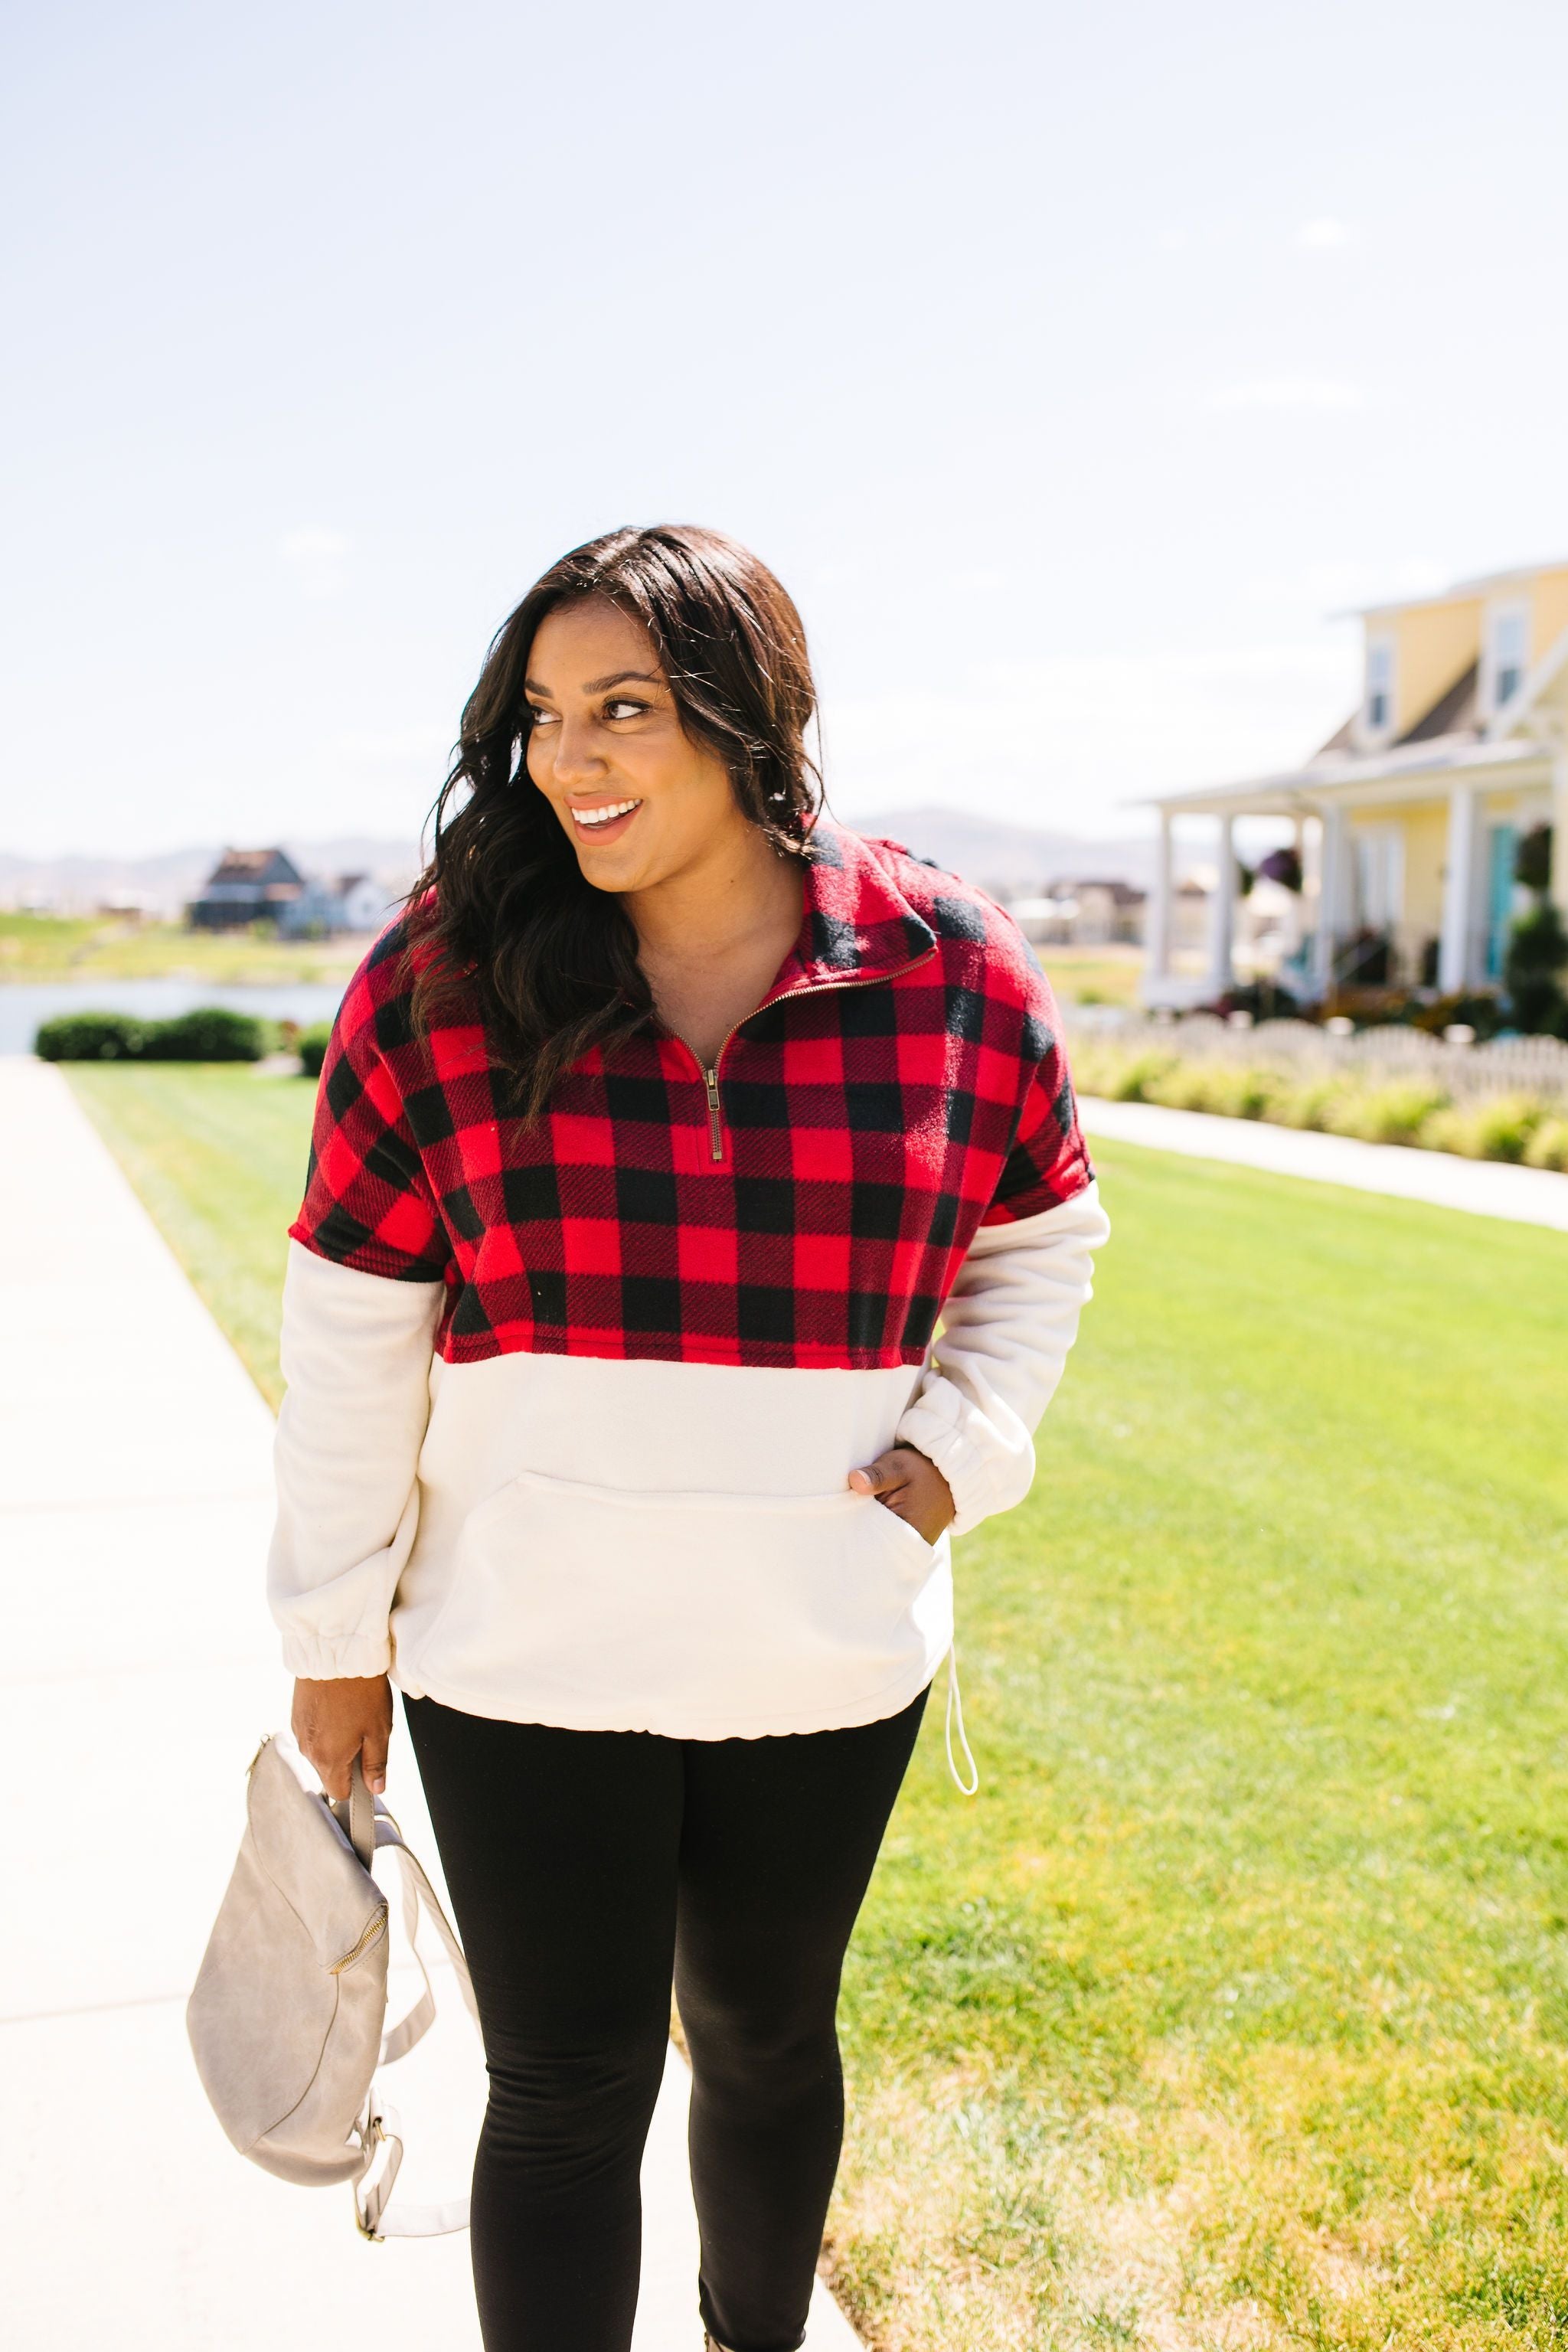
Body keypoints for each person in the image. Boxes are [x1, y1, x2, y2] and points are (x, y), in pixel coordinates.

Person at [271, 524, 1109, 2352]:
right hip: (520, 1653)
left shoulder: (949, 969)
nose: (571, 762)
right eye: (546, 718)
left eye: (626, 712)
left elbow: (1043, 1239)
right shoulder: (442, 974)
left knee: (760, 2036)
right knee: (566, 2085)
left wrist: (967, 1445)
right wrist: (331, 1639)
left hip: (816, 1639)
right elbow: (349, 1326)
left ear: (748, 719)